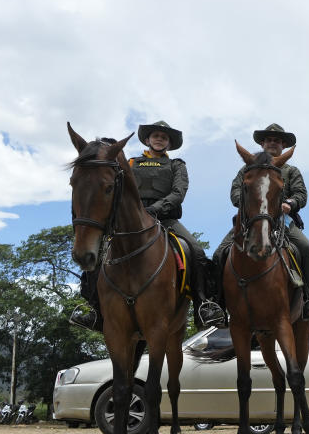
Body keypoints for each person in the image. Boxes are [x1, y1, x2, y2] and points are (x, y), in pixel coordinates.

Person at [68, 121, 225, 331]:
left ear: (169, 143)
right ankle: (93, 308)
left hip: (166, 219)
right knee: (101, 252)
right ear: (148, 140)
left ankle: (203, 304)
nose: (159, 139)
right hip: (133, 221)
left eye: (164, 137)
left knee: (196, 251)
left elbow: (178, 193)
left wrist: (156, 209)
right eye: (155, 135)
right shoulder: (131, 163)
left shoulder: (177, 165)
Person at [212, 123, 309, 322]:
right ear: (262, 144)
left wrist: (290, 203)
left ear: (283, 146)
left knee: (306, 247)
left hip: (282, 220)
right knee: (220, 252)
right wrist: (250, 204)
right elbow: (235, 194)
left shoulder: (291, 170)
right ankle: (216, 304)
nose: (273, 143)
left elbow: (301, 195)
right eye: (269, 140)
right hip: (251, 220)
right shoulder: (247, 169)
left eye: (278, 141)